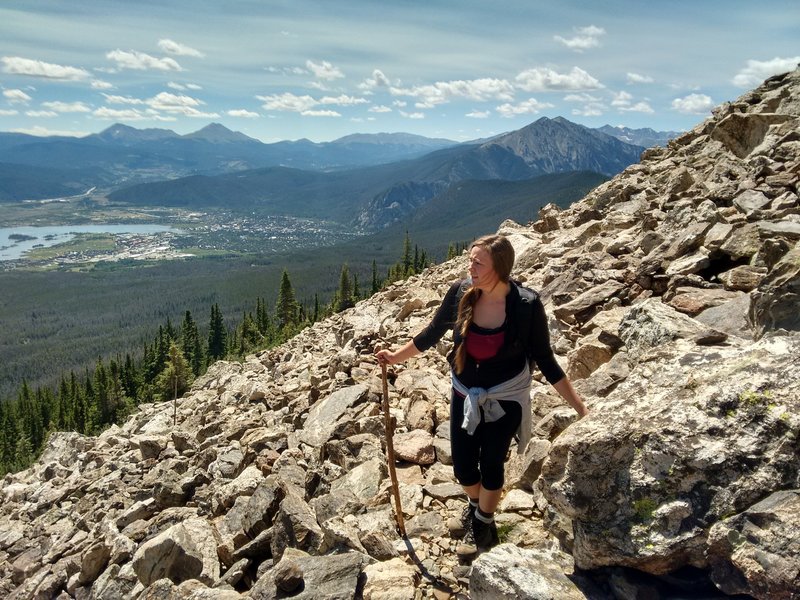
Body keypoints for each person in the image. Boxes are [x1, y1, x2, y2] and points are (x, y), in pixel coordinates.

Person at [375, 234, 588, 557]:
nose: (469, 268)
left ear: (499, 268)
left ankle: (483, 523)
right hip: (465, 393)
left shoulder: (526, 306)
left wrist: (581, 409)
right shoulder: (461, 292)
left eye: (478, 263)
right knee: (463, 468)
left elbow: (546, 360)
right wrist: (394, 357)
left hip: (506, 397)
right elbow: (432, 333)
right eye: (470, 260)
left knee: (491, 463)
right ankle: (478, 508)